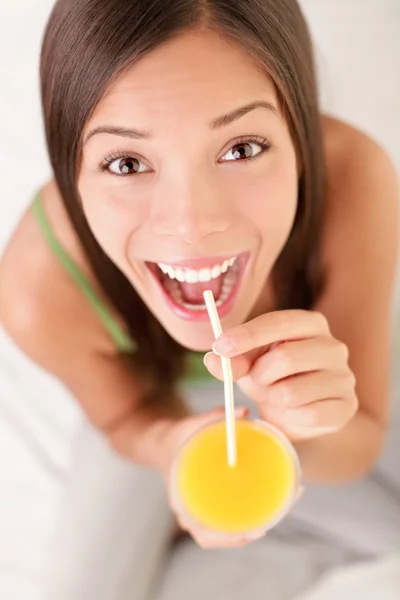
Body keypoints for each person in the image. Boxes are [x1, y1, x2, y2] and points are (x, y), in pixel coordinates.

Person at [0, 0, 398, 554]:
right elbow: (125, 419)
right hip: (152, 401)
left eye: (241, 148)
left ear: (300, 143)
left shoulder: (356, 181)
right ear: (72, 175)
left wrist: (305, 428)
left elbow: (359, 440)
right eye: (126, 163)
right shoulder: (38, 290)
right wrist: (171, 445)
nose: (190, 226)